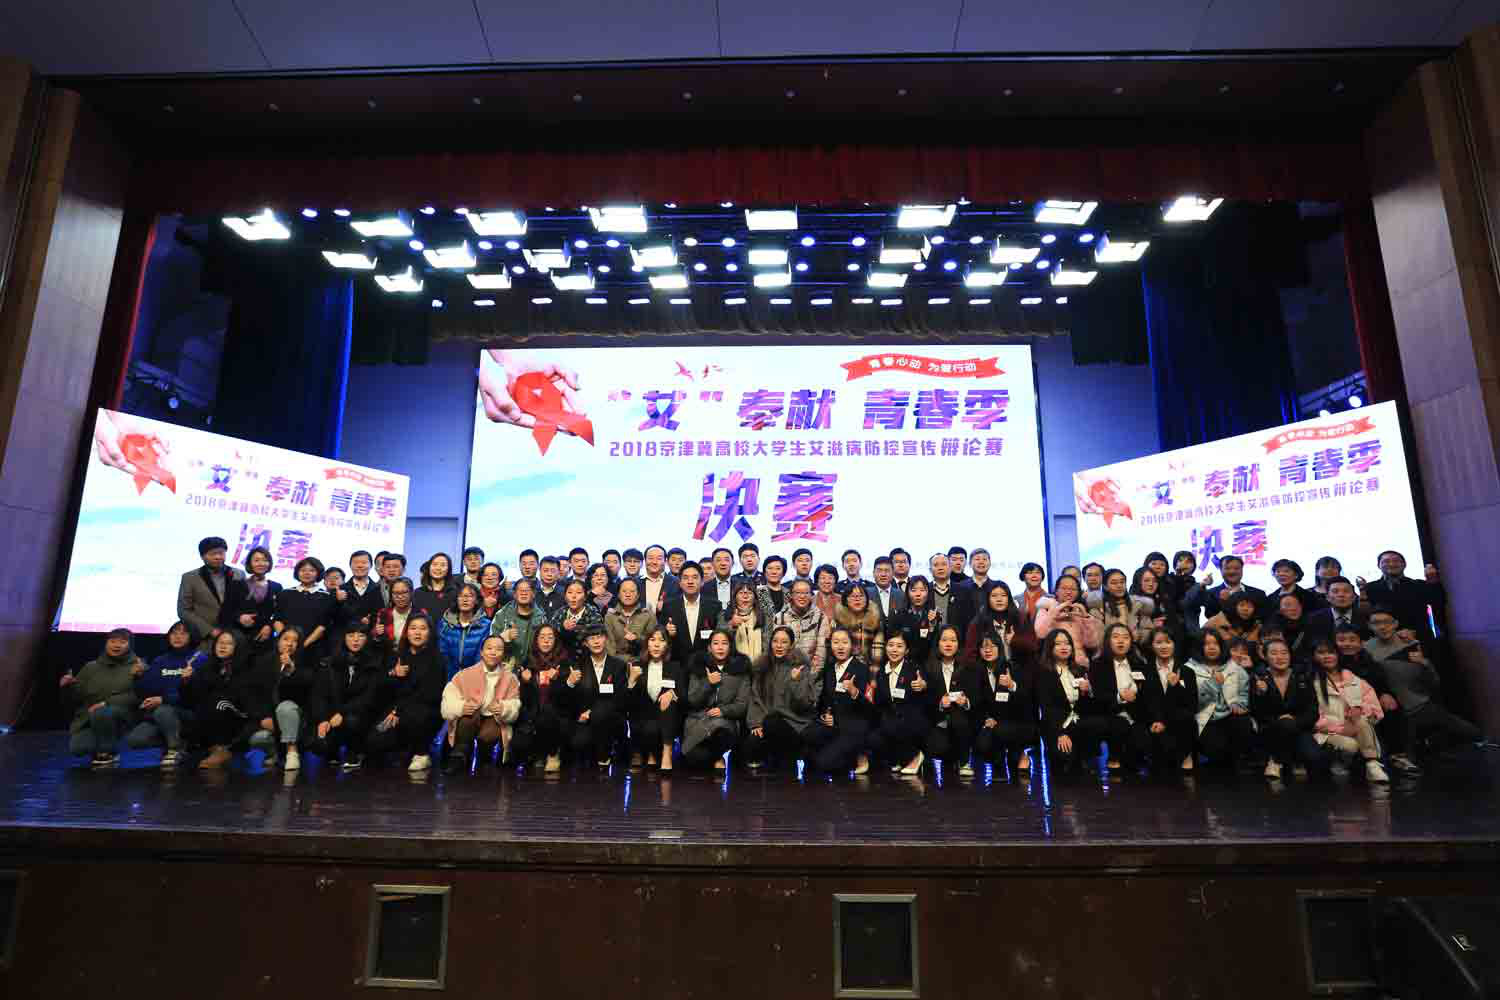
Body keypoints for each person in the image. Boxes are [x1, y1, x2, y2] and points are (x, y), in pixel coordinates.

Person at [1369, 629, 1482, 760]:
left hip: (1422, 704)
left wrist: (1424, 662)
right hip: (1397, 713)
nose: (1383, 627)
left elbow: (1434, 681)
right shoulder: (1369, 650)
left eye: (1387, 623)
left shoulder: (1411, 645)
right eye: (1377, 623)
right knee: (1406, 755)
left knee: (1472, 733)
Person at [184, 629, 278, 770]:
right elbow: (193, 697)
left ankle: (221, 749)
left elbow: (253, 697)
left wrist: (262, 716)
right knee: (206, 705)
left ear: (238, 646)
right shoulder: (208, 666)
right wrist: (187, 681)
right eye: (220, 642)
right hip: (219, 713)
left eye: (228, 643)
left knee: (219, 703)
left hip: (244, 713)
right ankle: (211, 748)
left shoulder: (248, 667)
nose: (222, 646)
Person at [366, 613, 445, 773]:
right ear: (406, 632)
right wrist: (393, 673)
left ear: (430, 633)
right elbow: (379, 685)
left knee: (417, 717)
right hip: (397, 709)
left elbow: (431, 695)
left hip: (424, 711)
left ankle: (421, 753)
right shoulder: (398, 655)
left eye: (423, 628)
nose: (417, 633)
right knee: (374, 741)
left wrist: (398, 710)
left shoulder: (437, 658)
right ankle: (403, 748)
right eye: (413, 628)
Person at [61, 628, 144, 767]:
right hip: (93, 718)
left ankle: (108, 752)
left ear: (130, 645)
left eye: (122, 642)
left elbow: (138, 696)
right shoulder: (91, 667)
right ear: (106, 643)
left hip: (124, 716)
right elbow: (76, 698)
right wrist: (67, 687)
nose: (116, 645)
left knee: (102, 712)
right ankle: (101, 745)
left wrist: (107, 703)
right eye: (112, 641)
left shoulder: (138, 667)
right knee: (78, 748)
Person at [440, 634, 522, 775]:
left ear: (503, 654)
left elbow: (515, 703)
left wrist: (504, 708)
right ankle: (459, 756)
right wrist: (460, 707)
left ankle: (484, 756)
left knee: (489, 735)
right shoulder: (465, 674)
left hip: (493, 718)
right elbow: (449, 697)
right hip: (472, 716)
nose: (493, 652)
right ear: (482, 652)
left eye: (498, 649)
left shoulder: (511, 679)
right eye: (489, 648)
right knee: (467, 720)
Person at [1310, 637, 1389, 782]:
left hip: (1357, 727)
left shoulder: (1352, 677)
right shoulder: (1311, 681)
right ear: (1314, 656)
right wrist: (1340, 729)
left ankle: (1372, 764)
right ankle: (1340, 762)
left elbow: (1374, 707)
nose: (1327, 656)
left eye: (1331, 652)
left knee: (1362, 719)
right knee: (1351, 745)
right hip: (1328, 732)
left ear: (1337, 655)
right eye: (1321, 653)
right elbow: (1311, 716)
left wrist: (1360, 709)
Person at [741, 625, 818, 771]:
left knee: (773, 724)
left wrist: (795, 681)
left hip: (794, 723)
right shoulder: (762, 667)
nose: (779, 645)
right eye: (775, 641)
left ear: (791, 645)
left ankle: (789, 759)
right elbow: (755, 698)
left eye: (784, 642)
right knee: (751, 745)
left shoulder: (800, 667)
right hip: (767, 721)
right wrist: (756, 723)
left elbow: (804, 704)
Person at [127, 621, 203, 767]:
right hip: (162, 714)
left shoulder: (200, 659)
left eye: (183, 633)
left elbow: (197, 696)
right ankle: (179, 741)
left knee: (163, 710)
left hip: (188, 712)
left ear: (192, 636)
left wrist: (164, 699)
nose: (177, 637)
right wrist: (139, 676)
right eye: (174, 633)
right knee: (135, 740)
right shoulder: (161, 660)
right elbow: (146, 691)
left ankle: (175, 749)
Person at [307, 625, 383, 770]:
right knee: (318, 744)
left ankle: (355, 752)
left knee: (353, 721)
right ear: (344, 638)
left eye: (361, 635)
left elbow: (369, 698)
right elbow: (319, 695)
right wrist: (323, 718)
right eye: (351, 635)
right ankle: (332, 750)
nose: (356, 639)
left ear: (367, 639)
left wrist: (341, 712)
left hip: (358, 715)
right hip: (332, 714)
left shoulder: (374, 663)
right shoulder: (329, 663)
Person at [1081, 623, 1154, 771]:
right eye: (1116, 637)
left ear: (1131, 642)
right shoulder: (1098, 665)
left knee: (1138, 752)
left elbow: (1147, 696)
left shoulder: (1139, 664)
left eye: (1125, 637)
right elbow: (1099, 697)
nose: (1121, 641)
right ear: (1108, 641)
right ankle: (1113, 755)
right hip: (1109, 714)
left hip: (1135, 714)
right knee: (1119, 726)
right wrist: (1120, 697)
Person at [805, 625, 873, 774]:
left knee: (823, 764)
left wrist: (855, 692)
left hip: (852, 728)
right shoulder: (829, 669)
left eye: (844, 642)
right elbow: (824, 701)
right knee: (807, 739)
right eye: (836, 642)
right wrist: (825, 715)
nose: (840, 647)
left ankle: (859, 755)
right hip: (832, 727)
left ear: (852, 646)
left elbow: (870, 709)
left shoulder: (861, 669)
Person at [556, 624, 628, 766]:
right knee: (579, 743)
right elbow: (567, 699)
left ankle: (606, 753)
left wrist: (594, 712)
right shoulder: (577, 665)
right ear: (585, 643)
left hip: (611, 719)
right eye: (591, 638)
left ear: (606, 639)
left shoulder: (618, 665)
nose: (596, 641)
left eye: (599, 637)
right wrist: (570, 683)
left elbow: (620, 698)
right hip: (585, 719)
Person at [1250, 637, 1321, 780]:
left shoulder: (1302, 676)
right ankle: (1276, 760)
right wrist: (1260, 694)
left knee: (1316, 759)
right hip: (1270, 730)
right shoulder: (1258, 677)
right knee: (1285, 726)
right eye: (1274, 653)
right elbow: (1256, 712)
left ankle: (1282, 759)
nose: (1280, 657)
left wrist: (1294, 720)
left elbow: (1313, 711)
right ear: (1265, 656)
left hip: (1298, 727)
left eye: (1284, 653)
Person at [682, 628, 750, 769]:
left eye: (724, 643)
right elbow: (693, 700)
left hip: (725, 723)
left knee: (721, 733)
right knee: (695, 759)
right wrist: (708, 683)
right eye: (716, 643)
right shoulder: (698, 666)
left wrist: (723, 711)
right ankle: (717, 758)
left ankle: (718, 757)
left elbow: (742, 704)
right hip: (699, 721)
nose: (720, 647)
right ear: (709, 647)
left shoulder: (740, 669)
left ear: (730, 647)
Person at [971, 633, 1036, 774]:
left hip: (1014, 721)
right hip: (990, 722)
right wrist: (987, 718)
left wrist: (1012, 686)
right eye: (983, 647)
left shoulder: (1011, 668)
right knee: (983, 745)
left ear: (1000, 648)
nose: (987, 650)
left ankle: (1020, 752)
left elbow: (1026, 700)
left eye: (992, 646)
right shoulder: (976, 671)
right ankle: (998, 760)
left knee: (1006, 740)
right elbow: (977, 702)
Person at [1186, 630, 1252, 769]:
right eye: (1206, 644)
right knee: (1217, 753)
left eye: (1215, 643)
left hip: (1229, 715)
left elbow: (1243, 692)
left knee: (1243, 723)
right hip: (1204, 718)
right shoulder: (1189, 668)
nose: (1212, 647)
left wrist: (1240, 704)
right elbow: (1192, 701)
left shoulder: (1233, 667)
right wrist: (1214, 684)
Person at [868, 630, 931, 775]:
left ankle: (915, 756)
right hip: (889, 721)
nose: (894, 650)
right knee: (873, 737)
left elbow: (928, 694)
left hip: (911, 720)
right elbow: (879, 703)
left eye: (899, 646)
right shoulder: (881, 672)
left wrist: (923, 686)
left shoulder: (914, 669)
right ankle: (898, 758)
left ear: (906, 650)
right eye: (891, 645)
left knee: (896, 725)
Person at [1036, 629, 1098, 774]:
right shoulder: (1043, 673)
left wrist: (1087, 691)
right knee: (1064, 759)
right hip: (1056, 724)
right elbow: (1047, 708)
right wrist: (1060, 733)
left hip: (1078, 723)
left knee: (1097, 724)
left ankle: (1083, 756)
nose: (1064, 647)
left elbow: (1090, 707)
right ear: (1050, 648)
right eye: (1058, 644)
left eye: (1067, 643)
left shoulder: (1081, 670)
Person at [625, 625, 685, 771]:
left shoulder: (675, 667)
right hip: (643, 721)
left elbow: (684, 698)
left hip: (666, 721)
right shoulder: (636, 666)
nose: (656, 644)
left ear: (667, 645)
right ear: (647, 644)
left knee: (669, 701)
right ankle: (645, 752)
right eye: (652, 640)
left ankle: (667, 752)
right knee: (646, 727)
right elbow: (626, 702)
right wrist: (631, 681)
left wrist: (672, 694)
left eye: (661, 640)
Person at [511, 624, 568, 773]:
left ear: (556, 640)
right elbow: (523, 699)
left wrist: (557, 680)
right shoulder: (528, 662)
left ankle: (553, 754)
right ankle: (537, 754)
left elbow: (568, 698)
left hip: (557, 715)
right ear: (536, 640)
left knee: (547, 714)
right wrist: (525, 682)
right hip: (532, 714)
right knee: (518, 745)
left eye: (550, 637)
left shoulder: (564, 662)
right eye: (542, 637)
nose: (546, 641)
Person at [259, 625, 313, 770]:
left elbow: (304, 693)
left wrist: (291, 671)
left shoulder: (306, 662)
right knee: (257, 738)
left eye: (294, 641)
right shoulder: (265, 661)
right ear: (278, 641)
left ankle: (292, 752)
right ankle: (276, 753)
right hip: (271, 719)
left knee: (286, 708)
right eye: (285, 639)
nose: (289, 643)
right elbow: (256, 692)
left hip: (296, 719)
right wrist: (264, 716)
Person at [924, 625, 975, 776]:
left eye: (953, 640)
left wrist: (966, 702)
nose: (948, 644)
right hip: (938, 720)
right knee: (939, 747)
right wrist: (939, 703)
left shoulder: (967, 667)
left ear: (959, 644)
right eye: (944, 640)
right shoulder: (929, 667)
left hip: (961, 721)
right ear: (938, 643)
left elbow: (976, 697)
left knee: (960, 720)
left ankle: (964, 762)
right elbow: (926, 699)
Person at [1359, 550, 1445, 640]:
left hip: (1416, 637)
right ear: (1379, 565)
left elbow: (1438, 605)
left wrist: (1433, 581)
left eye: (1396, 561)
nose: (1391, 564)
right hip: (1383, 640)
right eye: (1386, 561)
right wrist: (1362, 591)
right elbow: (1365, 615)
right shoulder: (1370, 588)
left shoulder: (1419, 585)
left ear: (1404, 565)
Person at [178, 536, 240, 644]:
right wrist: (209, 630)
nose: (217, 557)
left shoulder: (238, 574)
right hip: (204, 638)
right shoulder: (190, 578)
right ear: (202, 556)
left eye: (221, 553)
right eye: (212, 554)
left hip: (234, 636)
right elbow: (184, 610)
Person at [218, 545, 279, 650]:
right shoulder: (237, 585)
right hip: (238, 637)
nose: (261, 563)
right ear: (250, 563)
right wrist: (239, 617)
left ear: (269, 563)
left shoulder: (276, 587)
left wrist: (269, 626)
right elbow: (224, 612)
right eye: (256, 560)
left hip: (263, 638)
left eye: (265, 560)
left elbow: (278, 613)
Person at [660, 563, 722, 666]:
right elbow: (661, 636)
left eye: (695, 577)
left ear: (702, 582)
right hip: (677, 664)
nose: (690, 581)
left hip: (706, 664)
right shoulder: (668, 606)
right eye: (685, 578)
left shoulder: (714, 606)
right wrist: (667, 632)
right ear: (680, 583)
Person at [276, 556, 335, 662]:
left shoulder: (326, 597)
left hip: (312, 648)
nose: (307, 573)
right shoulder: (285, 593)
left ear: (318, 573)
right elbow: (278, 619)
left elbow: (322, 626)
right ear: (297, 572)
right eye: (303, 570)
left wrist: (301, 646)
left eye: (312, 570)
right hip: (284, 649)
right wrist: (285, 642)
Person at [1034, 574, 1099, 668]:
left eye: (1073, 589)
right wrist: (1054, 613)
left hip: (1080, 664)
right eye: (1064, 588)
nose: (1069, 592)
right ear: (1056, 591)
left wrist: (1086, 617)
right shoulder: (1046, 608)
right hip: (1054, 665)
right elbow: (1040, 634)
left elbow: (1092, 643)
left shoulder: (1080, 610)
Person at [773, 578, 830, 673]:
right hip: (785, 672)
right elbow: (777, 648)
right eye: (798, 593)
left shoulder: (820, 617)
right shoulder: (780, 617)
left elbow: (821, 650)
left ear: (811, 595)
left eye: (806, 593)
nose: (802, 596)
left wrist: (812, 675)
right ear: (791, 595)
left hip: (811, 673)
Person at [1188, 555, 1268, 621]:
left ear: (1242, 570)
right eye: (1227, 568)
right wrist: (1224, 602)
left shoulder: (1259, 594)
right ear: (1220, 570)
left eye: (1236, 568)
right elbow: (1210, 616)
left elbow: (1262, 619)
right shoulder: (1211, 593)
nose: (1232, 571)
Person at [439, 583, 492, 682]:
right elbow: (442, 655)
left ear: (476, 600)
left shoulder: (486, 625)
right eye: (461, 596)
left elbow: (481, 657)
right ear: (456, 600)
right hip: (449, 679)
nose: (465, 599)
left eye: (470, 596)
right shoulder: (445, 624)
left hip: (475, 679)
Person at [1087, 568, 1154, 644]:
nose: (1119, 586)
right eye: (1114, 583)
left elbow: (1148, 631)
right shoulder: (1098, 609)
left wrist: (1139, 635)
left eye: (1122, 582)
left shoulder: (1138, 606)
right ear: (1105, 586)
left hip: (1134, 647)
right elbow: (1096, 638)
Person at [490, 578, 542, 667]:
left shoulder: (541, 617)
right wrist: (503, 638)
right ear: (514, 594)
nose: (523, 593)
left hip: (531, 667)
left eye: (527, 590)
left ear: (533, 594)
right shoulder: (502, 615)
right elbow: (490, 645)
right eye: (520, 590)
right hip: (505, 666)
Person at [889, 575, 938, 665]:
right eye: (913, 590)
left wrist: (932, 627)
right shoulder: (899, 616)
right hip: (903, 663)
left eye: (922, 590)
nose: (918, 594)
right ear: (907, 592)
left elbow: (935, 645)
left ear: (928, 593)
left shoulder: (933, 616)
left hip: (928, 664)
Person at [604, 577, 655, 665]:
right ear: (618, 594)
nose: (628, 594)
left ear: (638, 595)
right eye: (624, 591)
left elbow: (653, 642)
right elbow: (609, 647)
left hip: (643, 663)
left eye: (632, 591)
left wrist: (637, 639)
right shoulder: (610, 616)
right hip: (616, 664)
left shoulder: (647, 614)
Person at [928, 551, 977, 639]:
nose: (940, 568)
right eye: (936, 565)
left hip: (957, 642)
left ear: (950, 567)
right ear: (930, 569)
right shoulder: (925, 590)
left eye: (944, 564)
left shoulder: (964, 591)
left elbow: (970, 622)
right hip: (930, 641)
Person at [552, 579, 604, 659]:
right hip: (562, 658)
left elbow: (595, 636)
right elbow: (551, 632)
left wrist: (575, 629)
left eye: (579, 592)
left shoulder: (594, 613)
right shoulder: (560, 613)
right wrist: (563, 627)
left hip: (588, 658)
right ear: (565, 596)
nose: (574, 596)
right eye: (570, 592)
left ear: (585, 597)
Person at [339, 550, 385, 640]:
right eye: (355, 563)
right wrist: (338, 601)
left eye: (364, 562)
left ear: (371, 566)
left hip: (370, 639)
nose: (359, 565)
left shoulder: (378, 589)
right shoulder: (341, 590)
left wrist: (371, 621)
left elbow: (380, 614)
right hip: (345, 638)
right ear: (350, 566)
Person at [834, 584, 884, 665]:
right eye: (853, 596)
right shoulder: (838, 620)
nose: (857, 599)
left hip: (869, 665)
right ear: (845, 600)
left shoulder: (875, 618)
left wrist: (874, 667)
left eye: (861, 596)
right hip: (844, 665)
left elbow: (878, 648)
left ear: (867, 599)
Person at [720, 581, 768, 661]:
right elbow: (719, 638)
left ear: (755, 598)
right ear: (735, 597)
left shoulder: (762, 616)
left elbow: (767, 643)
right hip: (732, 662)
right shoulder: (724, 615)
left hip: (759, 663)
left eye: (749, 593)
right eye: (741, 593)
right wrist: (731, 625)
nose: (745, 596)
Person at [412, 553, 457, 621]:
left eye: (443, 565)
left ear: (449, 569)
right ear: (429, 567)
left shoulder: (454, 593)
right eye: (434, 564)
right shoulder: (418, 592)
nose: (438, 568)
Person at [374, 577, 417, 650]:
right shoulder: (384, 613)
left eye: (404, 592)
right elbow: (376, 639)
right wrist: (376, 634)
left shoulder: (419, 613)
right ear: (391, 595)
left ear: (411, 592)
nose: (400, 597)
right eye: (396, 593)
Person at [640, 544, 680, 612]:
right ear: (645, 560)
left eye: (659, 558)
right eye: (650, 558)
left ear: (665, 561)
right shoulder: (636, 582)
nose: (654, 562)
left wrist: (666, 607)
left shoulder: (676, 582)